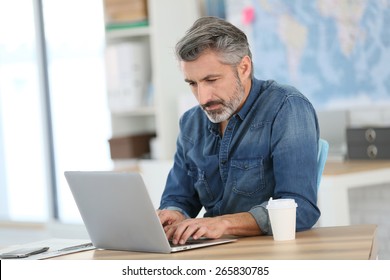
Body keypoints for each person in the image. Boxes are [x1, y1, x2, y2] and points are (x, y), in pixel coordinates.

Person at [157, 16, 320, 245]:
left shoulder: (287, 108)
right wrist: (173, 212)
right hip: (215, 254)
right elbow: (179, 197)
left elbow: (300, 208)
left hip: (272, 254)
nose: (203, 98)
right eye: (192, 83)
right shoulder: (191, 123)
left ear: (243, 68)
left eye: (211, 79)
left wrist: (223, 223)